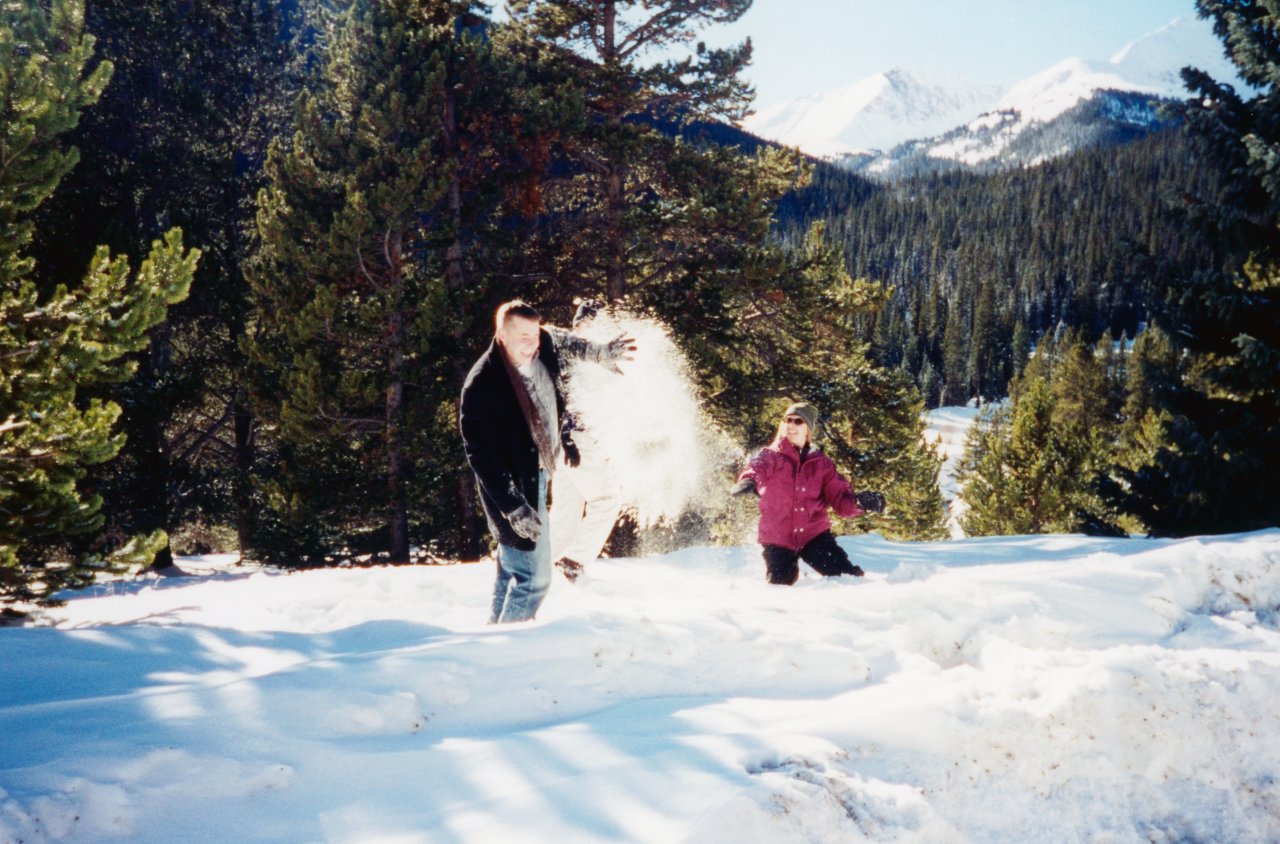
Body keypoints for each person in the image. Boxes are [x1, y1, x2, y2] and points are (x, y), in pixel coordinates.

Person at [459, 300, 633, 623]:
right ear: (502, 335)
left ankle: (491, 642)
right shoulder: (482, 385)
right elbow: (481, 456)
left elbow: (566, 341)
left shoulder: (545, 345)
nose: (532, 344)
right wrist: (514, 507)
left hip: (547, 461)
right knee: (534, 580)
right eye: (522, 338)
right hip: (515, 483)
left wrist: (599, 353)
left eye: (535, 335)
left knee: (513, 569)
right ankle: (512, 645)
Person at [731, 401, 886, 585]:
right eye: (788, 420)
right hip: (778, 538)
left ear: (808, 429)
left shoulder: (822, 464)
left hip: (814, 536)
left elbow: (840, 500)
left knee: (847, 579)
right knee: (779, 587)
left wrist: (860, 502)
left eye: (798, 421)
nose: (791, 425)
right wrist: (748, 480)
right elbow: (756, 467)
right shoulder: (770, 455)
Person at [548, 298, 623, 583]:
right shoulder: (572, 347)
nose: (589, 328)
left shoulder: (587, 354)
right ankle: (573, 563)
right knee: (606, 500)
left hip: (564, 441)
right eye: (586, 321)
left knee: (567, 513)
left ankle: (542, 569)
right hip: (576, 439)